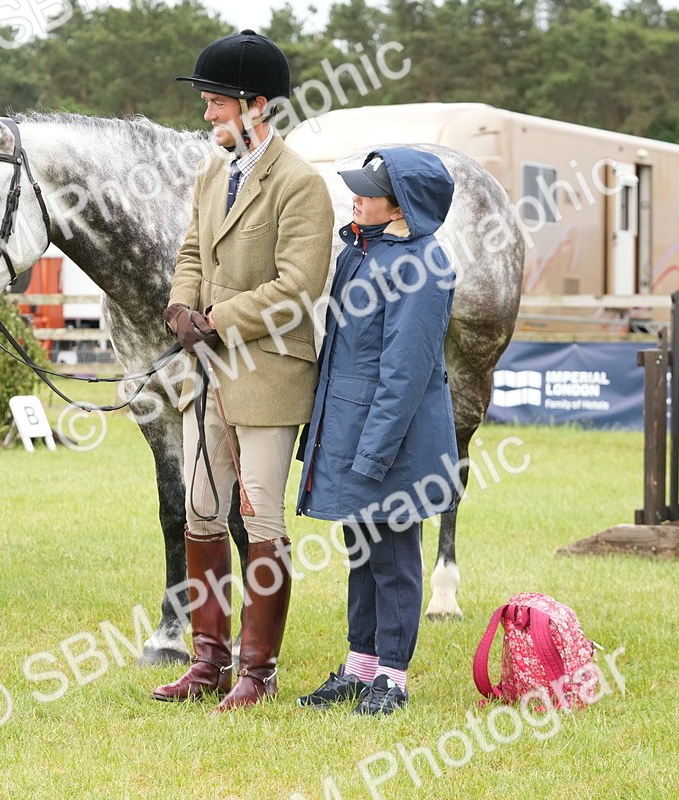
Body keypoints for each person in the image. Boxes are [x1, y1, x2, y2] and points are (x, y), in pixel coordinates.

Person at [151, 30, 334, 711]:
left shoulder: (301, 184)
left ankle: (259, 671)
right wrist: (179, 306)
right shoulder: (210, 175)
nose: (206, 118)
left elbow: (298, 287)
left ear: (255, 106)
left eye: (214, 106)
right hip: (209, 370)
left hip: (268, 371)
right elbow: (192, 252)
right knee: (201, 510)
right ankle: (208, 664)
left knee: (260, 517)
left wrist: (217, 317)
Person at [294, 149, 460, 715]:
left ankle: (393, 677)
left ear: (401, 206)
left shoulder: (425, 265)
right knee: (361, 552)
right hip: (348, 431)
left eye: (368, 191)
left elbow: (404, 374)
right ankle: (361, 665)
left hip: (393, 443)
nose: (356, 198)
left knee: (393, 557)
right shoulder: (357, 254)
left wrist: (373, 455)